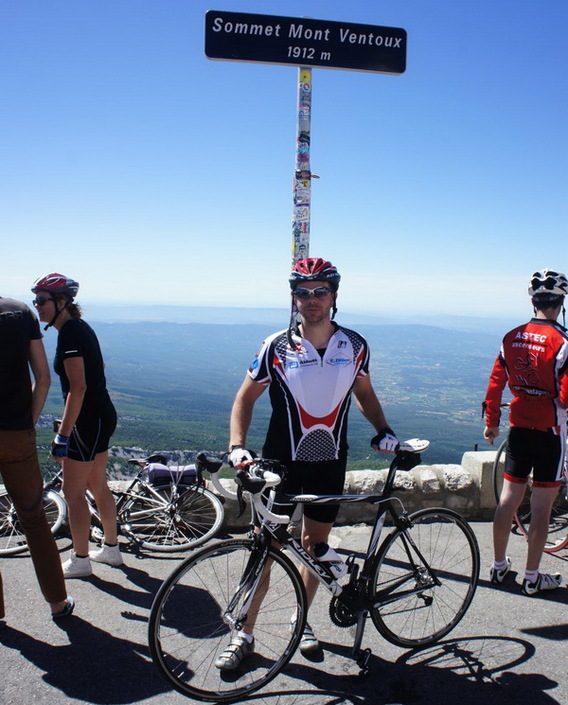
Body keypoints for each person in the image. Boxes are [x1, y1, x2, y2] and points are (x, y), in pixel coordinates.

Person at [215, 257, 398, 670]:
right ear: (293, 298)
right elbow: (245, 398)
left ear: (334, 295)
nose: (311, 300)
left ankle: (302, 621)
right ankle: (243, 631)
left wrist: (383, 428)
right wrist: (237, 445)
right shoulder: (275, 346)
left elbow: (364, 394)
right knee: (265, 550)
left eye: (320, 292)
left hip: (330, 463)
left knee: (316, 550)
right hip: (280, 466)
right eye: (302, 292)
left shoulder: (354, 344)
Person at [484, 268, 568, 596]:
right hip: (549, 431)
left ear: (533, 300)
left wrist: (491, 421)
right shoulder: (562, 341)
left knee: (509, 500)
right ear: (560, 301)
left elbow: (495, 384)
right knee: (543, 507)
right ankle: (533, 577)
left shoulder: (511, 336)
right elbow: (565, 396)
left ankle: (498, 566)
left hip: (518, 428)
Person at [31, 273, 121, 578]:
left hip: (86, 420)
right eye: (36, 300)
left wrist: (63, 435)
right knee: (97, 485)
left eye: (42, 300)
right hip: (100, 415)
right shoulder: (79, 328)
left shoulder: (70, 334)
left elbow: (78, 388)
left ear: (62, 302)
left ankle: (81, 559)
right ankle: (111, 550)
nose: (37, 306)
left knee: (73, 491)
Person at [0, 294, 74, 620]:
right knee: (32, 517)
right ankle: (58, 602)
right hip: (16, 432)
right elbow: (43, 377)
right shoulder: (19, 312)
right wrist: (27, 422)